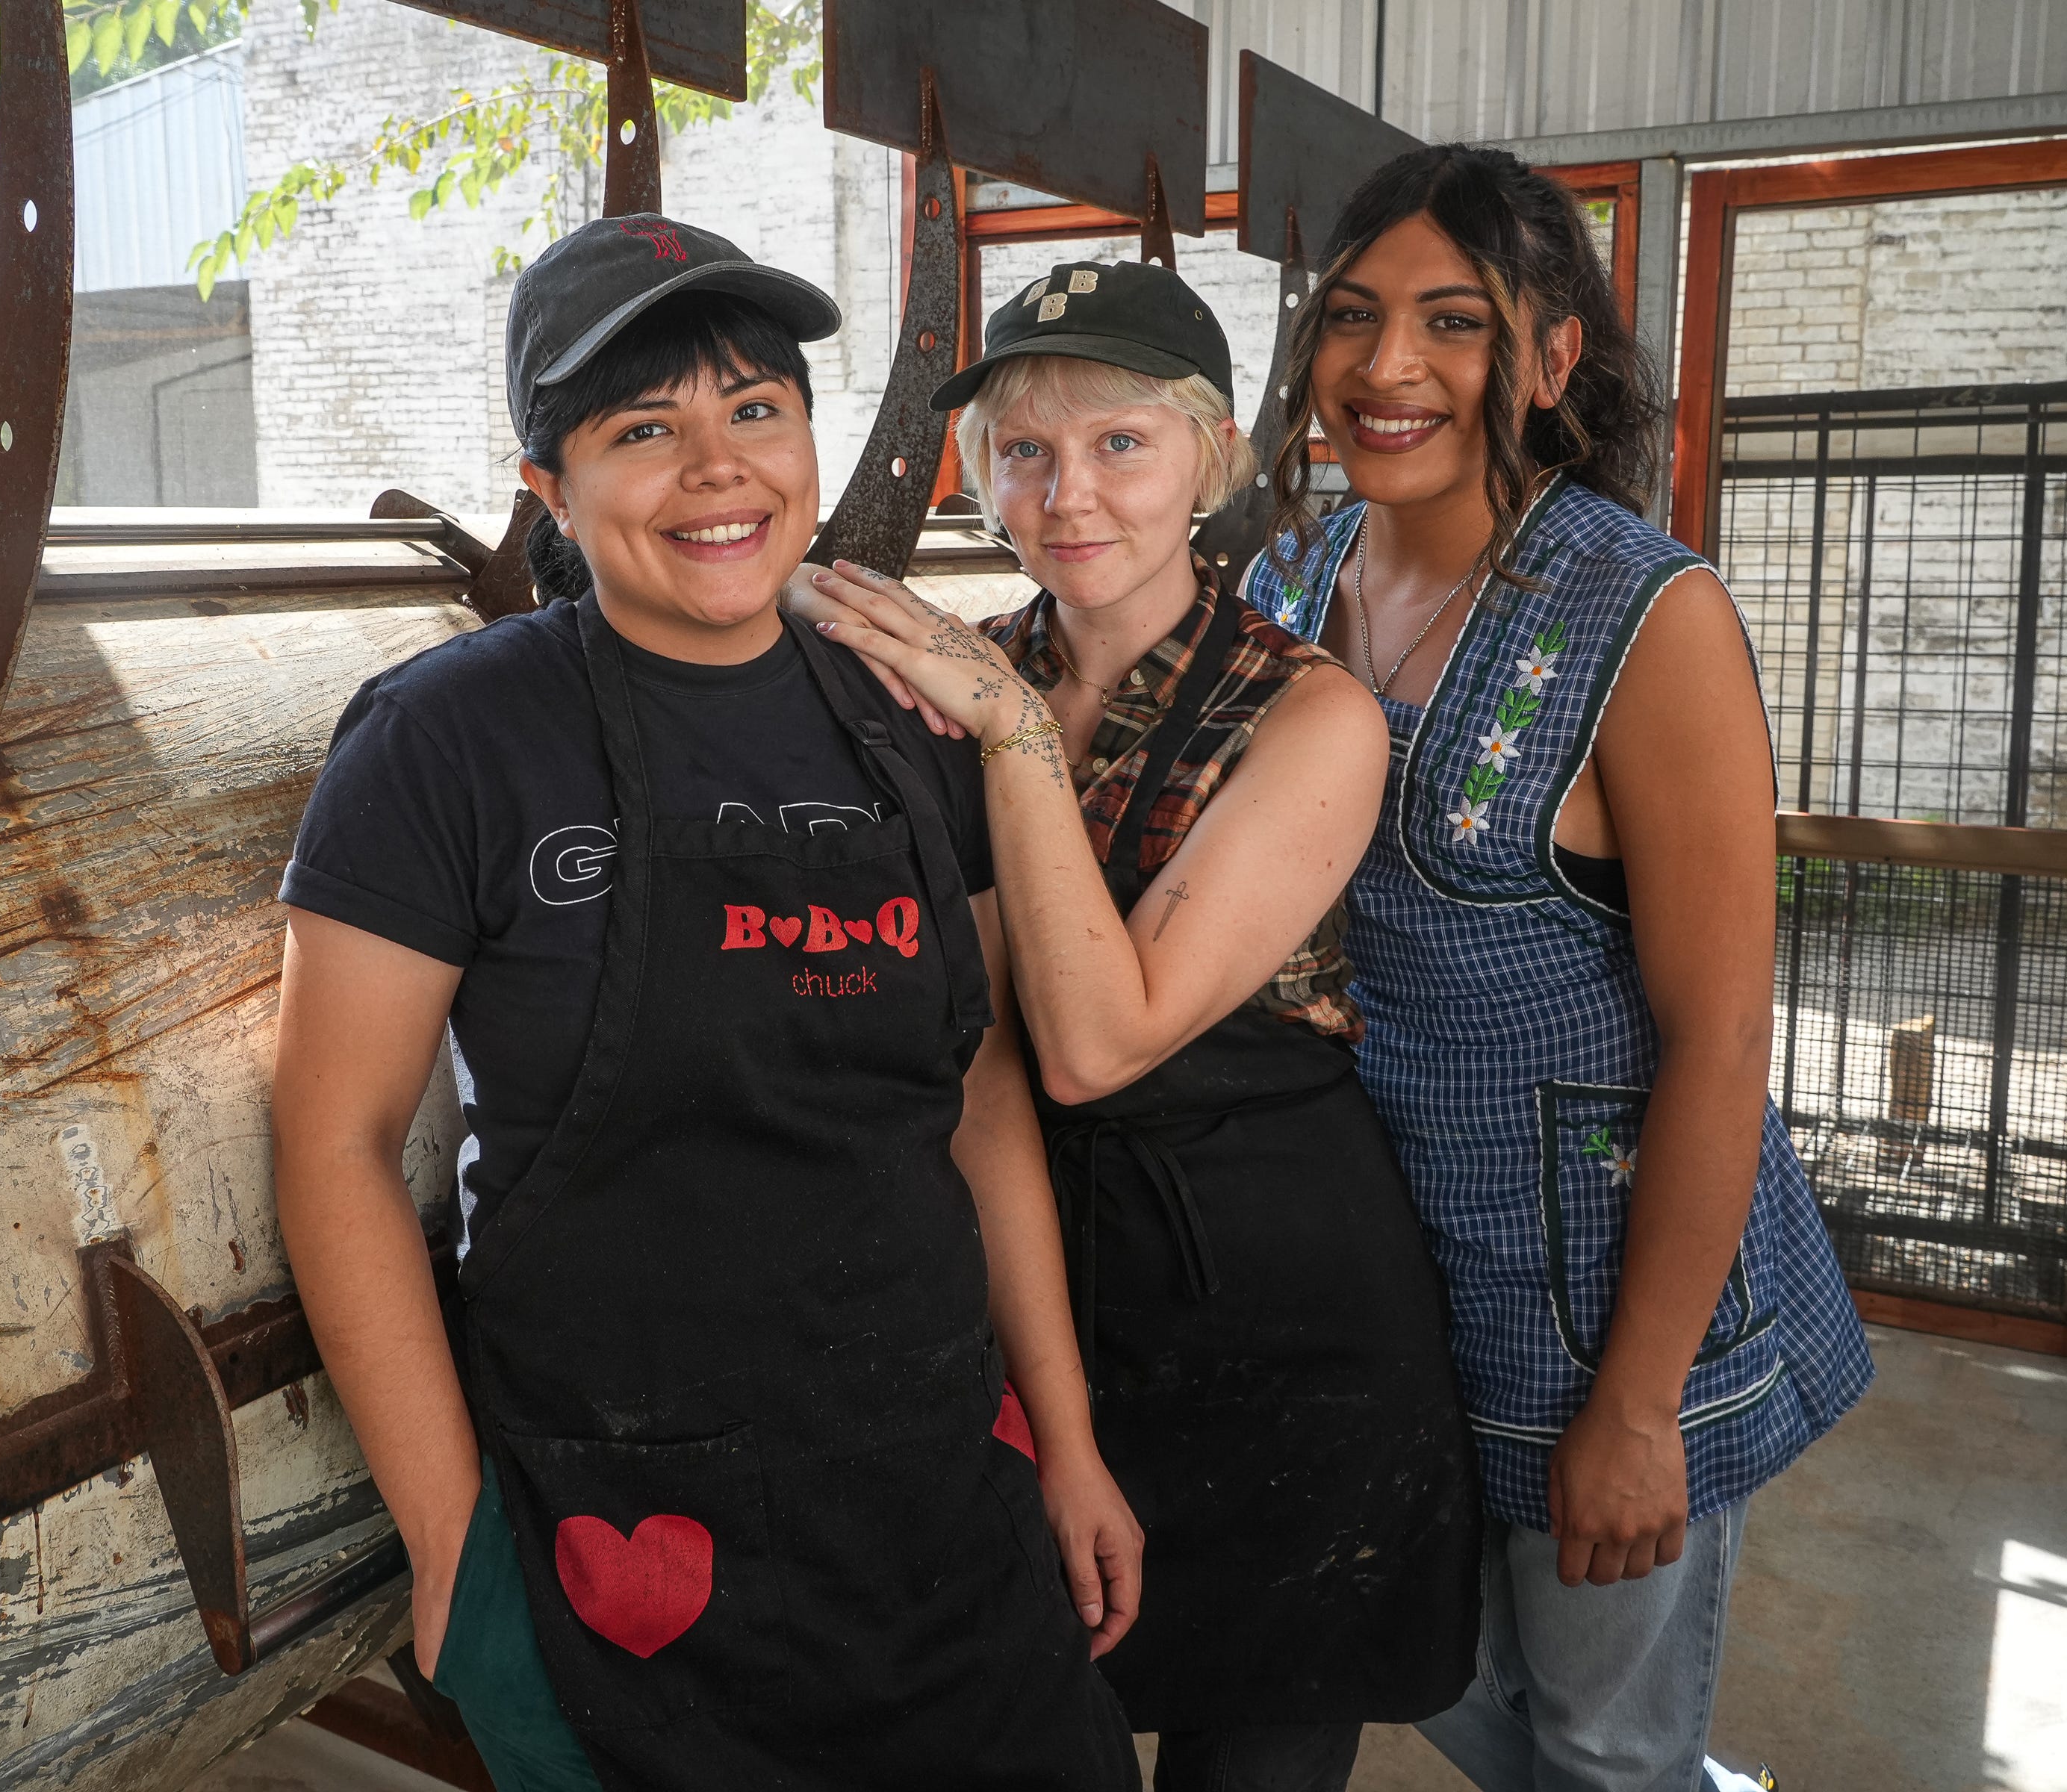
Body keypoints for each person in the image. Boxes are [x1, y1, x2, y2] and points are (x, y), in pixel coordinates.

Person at [270, 213, 1143, 1792]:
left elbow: (982, 1091)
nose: (719, 469)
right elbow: (334, 1145)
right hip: (629, 1553)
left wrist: (1067, 1440)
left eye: (756, 409)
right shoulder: (445, 742)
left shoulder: (902, 711)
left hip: (944, 1501)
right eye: (643, 431)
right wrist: (456, 1542)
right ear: (551, 487)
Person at [792, 258, 1479, 1792]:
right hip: (1050, 1276)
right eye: (1024, 452)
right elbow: (991, 1069)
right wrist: (1064, 1420)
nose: (1067, 493)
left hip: (1289, 1320)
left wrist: (1017, 735)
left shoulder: (1310, 716)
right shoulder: (962, 680)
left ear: (1212, 460)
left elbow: (1102, 1040)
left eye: (1120, 443)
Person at [1231, 146, 1871, 1790]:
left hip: (1607, 1301)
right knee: (1431, 1670)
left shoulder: (1646, 619)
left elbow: (1724, 1036)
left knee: (1600, 1740)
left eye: (1455, 321)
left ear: (1553, 358)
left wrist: (1642, 1407)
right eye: (1354, 317)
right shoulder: (1286, 589)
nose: (1390, 368)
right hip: (1388, 1290)